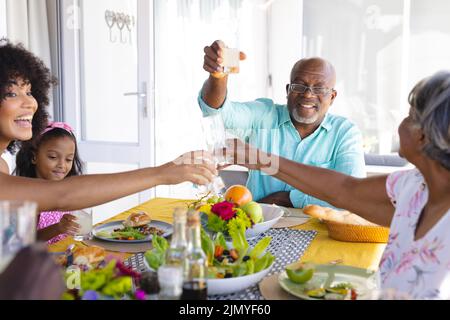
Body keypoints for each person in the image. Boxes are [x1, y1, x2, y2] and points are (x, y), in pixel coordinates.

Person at [226, 71, 450, 299]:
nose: (401, 123)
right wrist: (262, 159)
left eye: (410, 116)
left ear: (424, 135)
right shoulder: (413, 186)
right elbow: (344, 189)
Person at [0, 39, 216, 213]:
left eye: (29, 92)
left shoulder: (3, 165)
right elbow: (61, 195)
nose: (30, 103)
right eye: (11, 93)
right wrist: (161, 174)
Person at [199, 40, 365, 209]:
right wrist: (218, 76)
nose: (308, 94)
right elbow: (217, 112)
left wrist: (288, 198)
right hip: (259, 226)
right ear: (288, 91)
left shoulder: (345, 132)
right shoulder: (264, 115)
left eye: (320, 89)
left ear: (332, 97)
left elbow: (353, 194)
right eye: (299, 86)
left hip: (319, 230)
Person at [14, 121, 84, 244]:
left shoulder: (65, 191)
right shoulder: (28, 196)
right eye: (53, 157)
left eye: (68, 159)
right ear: (34, 157)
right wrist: (58, 228)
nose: (62, 165)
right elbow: (24, 242)